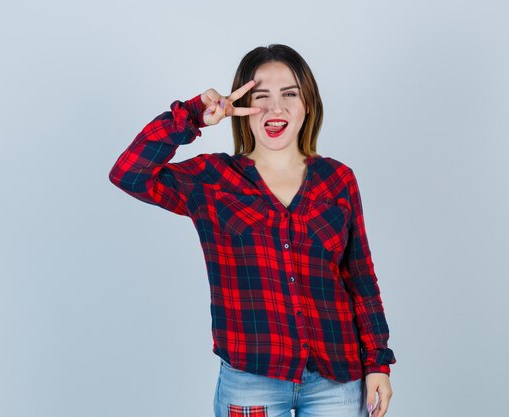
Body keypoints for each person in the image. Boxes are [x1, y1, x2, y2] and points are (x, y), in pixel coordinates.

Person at [108, 44, 396, 417]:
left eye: (289, 94)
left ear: (308, 103)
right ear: (242, 108)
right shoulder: (211, 180)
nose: (276, 108)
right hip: (251, 380)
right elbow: (128, 173)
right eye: (262, 96)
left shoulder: (338, 180)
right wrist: (193, 115)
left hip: (337, 379)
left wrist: (377, 363)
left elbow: (360, 278)